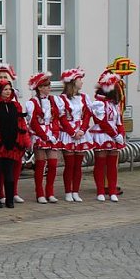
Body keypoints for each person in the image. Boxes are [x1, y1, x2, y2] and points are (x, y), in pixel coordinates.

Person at [0, 79, 31, 208]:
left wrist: (24, 140)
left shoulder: (16, 106)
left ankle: (10, 200)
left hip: (11, 144)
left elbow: (21, 124)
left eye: (9, 89)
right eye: (5, 89)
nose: (8, 91)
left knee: (9, 172)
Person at [26, 71, 63, 203]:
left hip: (52, 133)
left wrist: (55, 134)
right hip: (40, 135)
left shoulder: (54, 100)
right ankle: (40, 193)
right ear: (40, 88)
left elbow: (56, 118)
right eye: (46, 86)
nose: (49, 88)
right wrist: (45, 136)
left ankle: (50, 192)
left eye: (49, 85)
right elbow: (33, 122)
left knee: (53, 164)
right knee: (40, 165)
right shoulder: (33, 102)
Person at [89, 71, 126, 202]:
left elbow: (119, 121)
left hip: (114, 136)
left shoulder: (114, 104)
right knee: (100, 164)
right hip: (102, 135)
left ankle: (112, 191)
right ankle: (100, 191)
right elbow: (102, 122)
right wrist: (115, 135)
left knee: (112, 165)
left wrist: (121, 133)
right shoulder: (98, 104)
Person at [59, 67, 93, 202]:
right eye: (80, 80)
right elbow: (61, 118)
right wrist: (72, 132)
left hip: (81, 133)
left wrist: (83, 130)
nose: (82, 82)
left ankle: (75, 191)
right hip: (69, 134)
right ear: (73, 82)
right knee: (69, 164)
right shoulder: (62, 99)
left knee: (78, 165)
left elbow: (87, 115)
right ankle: (68, 191)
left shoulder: (84, 97)